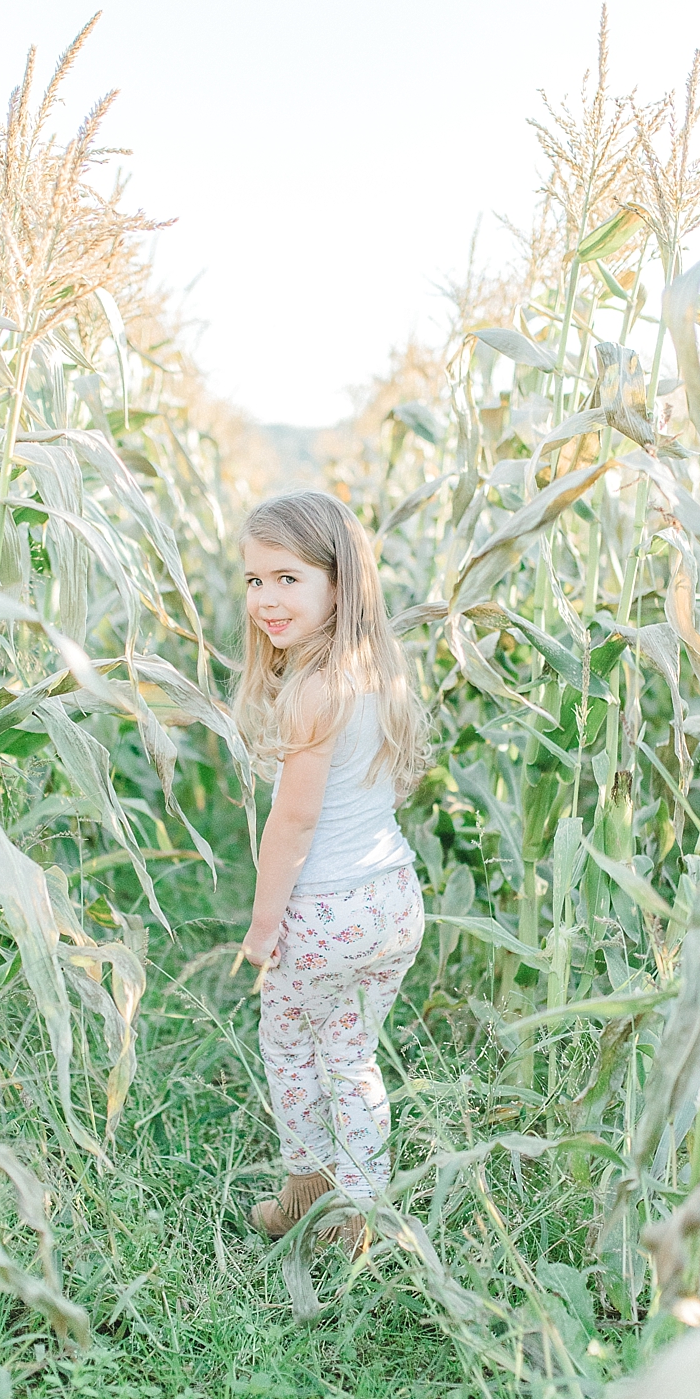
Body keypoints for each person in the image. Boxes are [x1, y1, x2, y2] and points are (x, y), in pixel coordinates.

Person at [233, 490, 429, 1255]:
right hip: (392, 900)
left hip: (323, 911)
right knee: (350, 1056)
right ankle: (360, 1217)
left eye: (288, 579)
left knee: (290, 1049)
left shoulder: (311, 690)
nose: (266, 600)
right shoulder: (377, 672)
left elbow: (295, 822)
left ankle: (304, 1196)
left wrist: (261, 928)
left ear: (339, 583)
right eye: (254, 581)